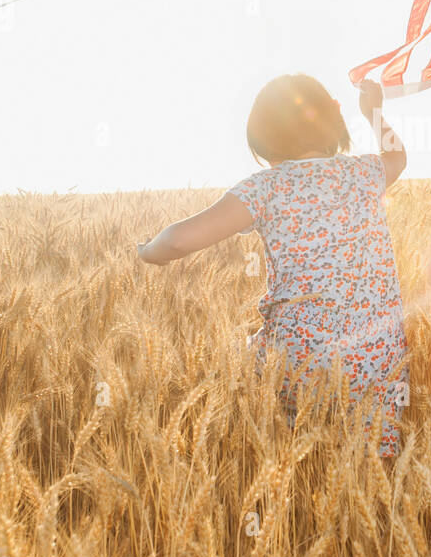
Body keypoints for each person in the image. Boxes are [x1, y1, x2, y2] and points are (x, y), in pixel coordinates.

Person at [136, 75, 408, 456]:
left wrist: (147, 251)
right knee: (372, 464)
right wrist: (374, 112)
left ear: (264, 140)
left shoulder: (265, 186)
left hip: (299, 358)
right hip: (379, 360)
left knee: (241, 374)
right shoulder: (365, 172)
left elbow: (180, 240)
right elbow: (397, 156)